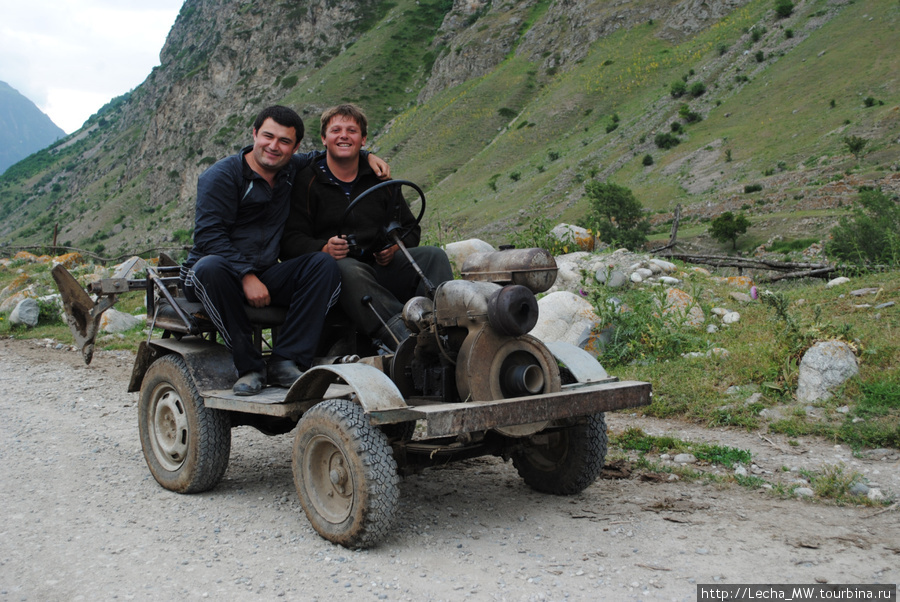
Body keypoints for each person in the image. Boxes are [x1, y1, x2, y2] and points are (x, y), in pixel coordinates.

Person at [181, 105, 390, 395]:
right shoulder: (221, 176)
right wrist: (246, 276)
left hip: (266, 271)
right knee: (211, 266)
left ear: (295, 147)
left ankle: (286, 360)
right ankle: (249, 367)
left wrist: (368, 156)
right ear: (254, 134)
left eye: (284, 141)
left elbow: (330, 152)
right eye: (268, 136)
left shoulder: (290, 168)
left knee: (323, 264)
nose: (274, 146)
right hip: (214, 274)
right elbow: (208, 237)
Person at [281, 103, 453, 350]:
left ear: (363, 140)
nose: (343, 135)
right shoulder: (306, 181)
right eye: (336, 130)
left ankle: (443, 328)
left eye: (351, 130)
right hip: (332, 278)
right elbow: (289, 240)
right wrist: (322, 248)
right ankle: (404, 338)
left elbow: (410, 228)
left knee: (433, 256)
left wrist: (395, 248)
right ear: (324, 138)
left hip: (379, 269)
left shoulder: (380, 178)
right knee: (346, 268)